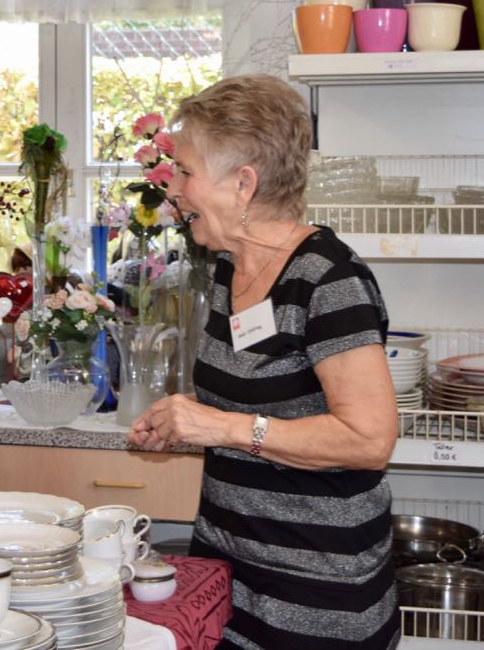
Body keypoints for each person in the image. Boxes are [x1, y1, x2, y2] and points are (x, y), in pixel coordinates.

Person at [128, 75, 399, 649]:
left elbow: (369, 439)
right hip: (229, 579)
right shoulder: (231, 267)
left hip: (314, 603)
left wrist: (218, 426)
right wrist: (183, 420)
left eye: (186, 171)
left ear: (243, 184)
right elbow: (263, 398)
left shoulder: (330, 281)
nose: (173, 188)